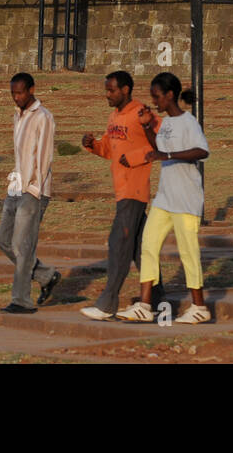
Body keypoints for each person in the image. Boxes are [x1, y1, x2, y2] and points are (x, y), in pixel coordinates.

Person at [117, 72, 211, 324]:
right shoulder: (167, 123)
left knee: (188, 252)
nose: (154, 102)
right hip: (165, 198)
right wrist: (148, 126)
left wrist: (167, 157)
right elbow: (158, 149)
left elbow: (202, 151)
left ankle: (199, 307)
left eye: (157, 97)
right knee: (148, 245)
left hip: (186, 199)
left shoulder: (188, 122)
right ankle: (145, 305)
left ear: (170, 95)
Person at [79, 70, 159, 320]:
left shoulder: (141, 113)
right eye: (106, 90)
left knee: (118, 243)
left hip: (134, 189)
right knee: (140, 248)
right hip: (121, 189)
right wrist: (92, 144)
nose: (107, 95)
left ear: (125, 90)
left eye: (111, 90)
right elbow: (110, 150)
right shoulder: (113, 116)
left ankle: (107, 303)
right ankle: (159, 298)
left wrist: (133, 158)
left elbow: (162, 143)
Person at [0, 72, 60, 313]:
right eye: (13, 93)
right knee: (3, 240)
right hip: (16, 187)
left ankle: (21, 300)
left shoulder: (43, 117)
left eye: (20, 92)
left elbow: (44, 158)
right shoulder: (18, 115)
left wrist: (34, 189)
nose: (16, 97)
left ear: (32, 90)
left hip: (34, 190)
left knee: (23, 247)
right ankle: (46, 276)